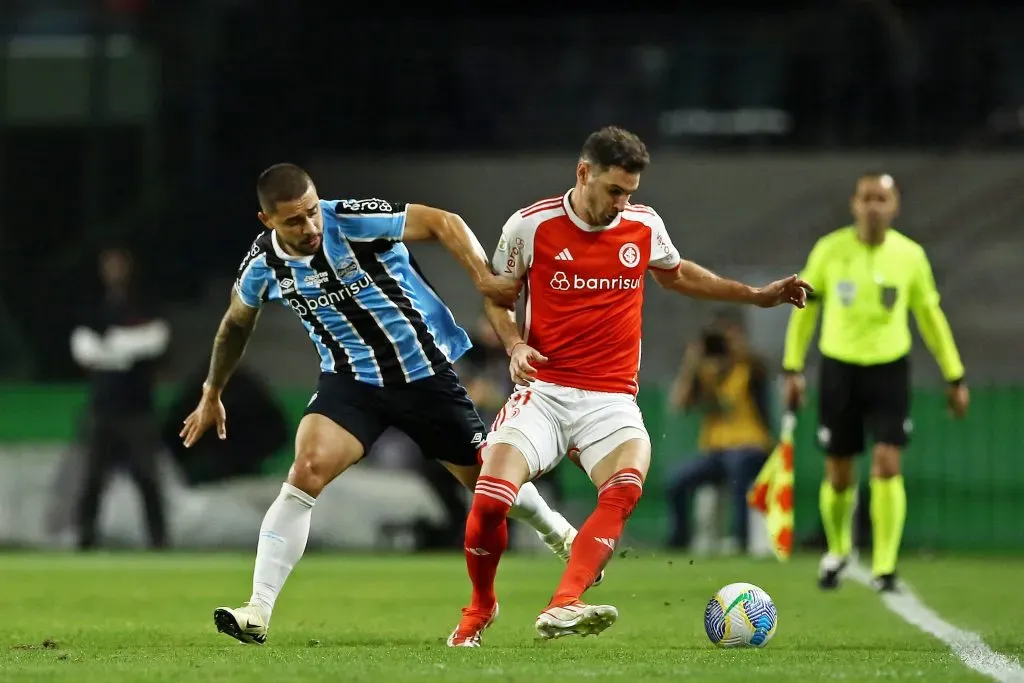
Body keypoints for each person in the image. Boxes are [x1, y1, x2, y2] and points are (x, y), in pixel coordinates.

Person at [179, 163, 589, 645]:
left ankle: (558, 532)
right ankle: (258, 611)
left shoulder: (351, 219)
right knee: (304, 471)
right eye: (294, 221)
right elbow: (235, 324)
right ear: (267, 221)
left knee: (487, 484)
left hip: (424, 376)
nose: (310, 227)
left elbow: (444, 222)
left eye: (312, 213)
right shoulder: (262, 265)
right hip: (351, 382)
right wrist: (212, 392)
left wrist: (484, 278)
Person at [446, 126, 811, 647]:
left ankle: (565, 601)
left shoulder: (643, 225)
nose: (622, 203)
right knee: (488, 501)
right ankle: (479, 609)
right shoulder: (530, 226)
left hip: (611, 399)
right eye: (614, 190)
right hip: (543, 391)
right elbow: (498, 296)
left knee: (626, 483)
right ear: (583, 173)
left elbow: (678, 273)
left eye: (630, 193)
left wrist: (757, 296)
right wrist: (513, 344)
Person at [782, 171, 968, 593]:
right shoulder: (829, 251)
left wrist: (954, 375)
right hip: (839, 368)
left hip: (889, 369)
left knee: (887, 461)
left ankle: (885, 567)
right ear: (854, 204)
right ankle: (839, 550)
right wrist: (792, 368)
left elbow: (930, 316)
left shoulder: (910, 256)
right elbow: (805, 310)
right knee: (840, 470)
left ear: (894, 206)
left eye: (881, 199)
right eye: (866, 198)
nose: (873, 206)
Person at [69, 247, 171, 550]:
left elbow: (155, 341)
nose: (115, 271)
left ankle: (159, 541)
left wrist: (113, 348)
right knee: (92, 480)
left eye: (119, 265)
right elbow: (83, 350)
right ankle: (85, 540)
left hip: (137, 409)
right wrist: (123, 349)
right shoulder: (93, 307)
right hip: (102, 408)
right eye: (109, 266)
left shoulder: (146, 305)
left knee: (148, 479)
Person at [665, 309, 772, 553]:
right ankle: (678, 541)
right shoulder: (704, 372)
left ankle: (740, 540)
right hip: (715, 450)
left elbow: (760, 364)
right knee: (677, 481)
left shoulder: (749, 366)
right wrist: (691, 362)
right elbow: (678, 404)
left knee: (738, 468)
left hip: (752, 446)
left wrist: (735, 350)